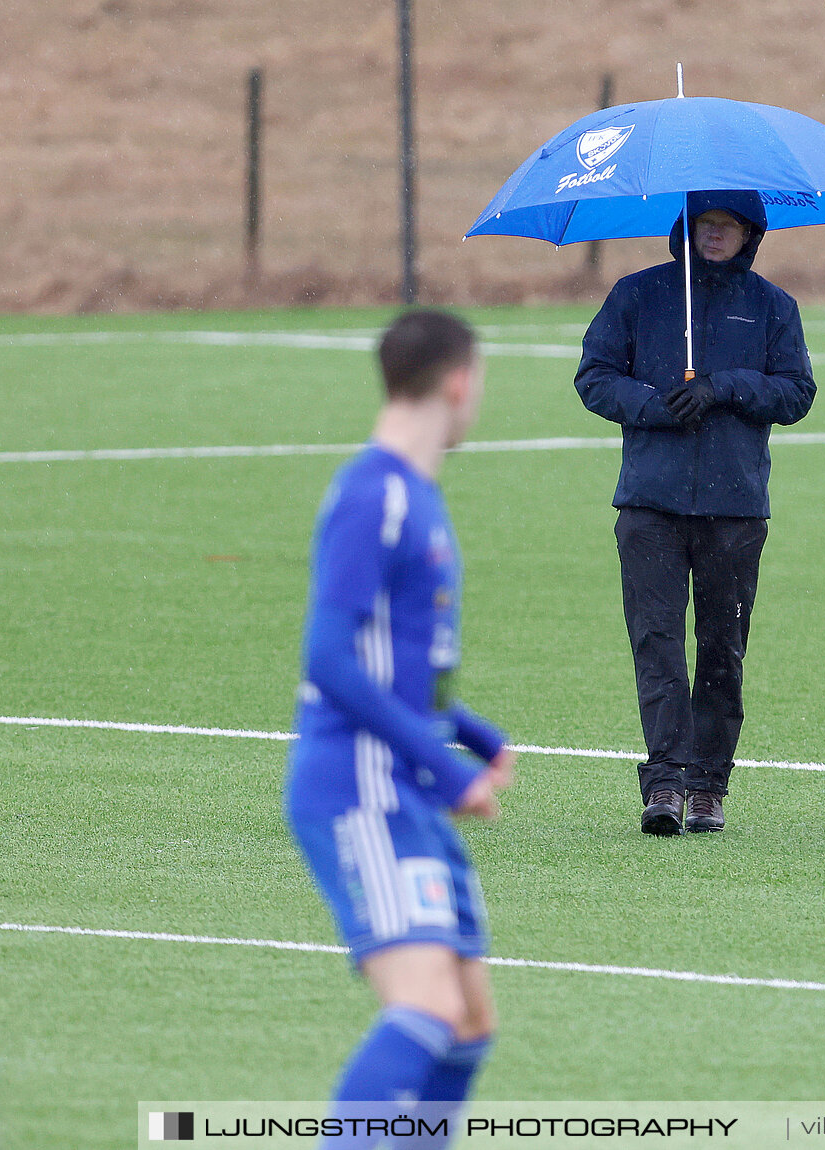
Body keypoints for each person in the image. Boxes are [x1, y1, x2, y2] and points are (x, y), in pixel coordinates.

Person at [284, 310, 515, 1140]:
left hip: (403, 785)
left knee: (466, 1024)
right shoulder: (372, 494)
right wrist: (453, 771)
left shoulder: (415, 495)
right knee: (425, 1008)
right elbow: (331, 662)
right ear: (457, 383)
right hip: (359, 788)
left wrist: (474, 734)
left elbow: (398, 675)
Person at [575, 190, 816, 836]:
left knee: (720, 651)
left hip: (734, 508)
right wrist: (657, 404)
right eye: (705, 223)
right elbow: (593, 376)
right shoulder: (637, 295)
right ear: (685, 227)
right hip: (648, 505)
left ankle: (707, 786)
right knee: (656, 645)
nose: (715, 235)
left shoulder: (772, 308)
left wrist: (726, 386)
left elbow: (797, 393)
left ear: (750, 235)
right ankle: (664, 784)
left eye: (729, 225)